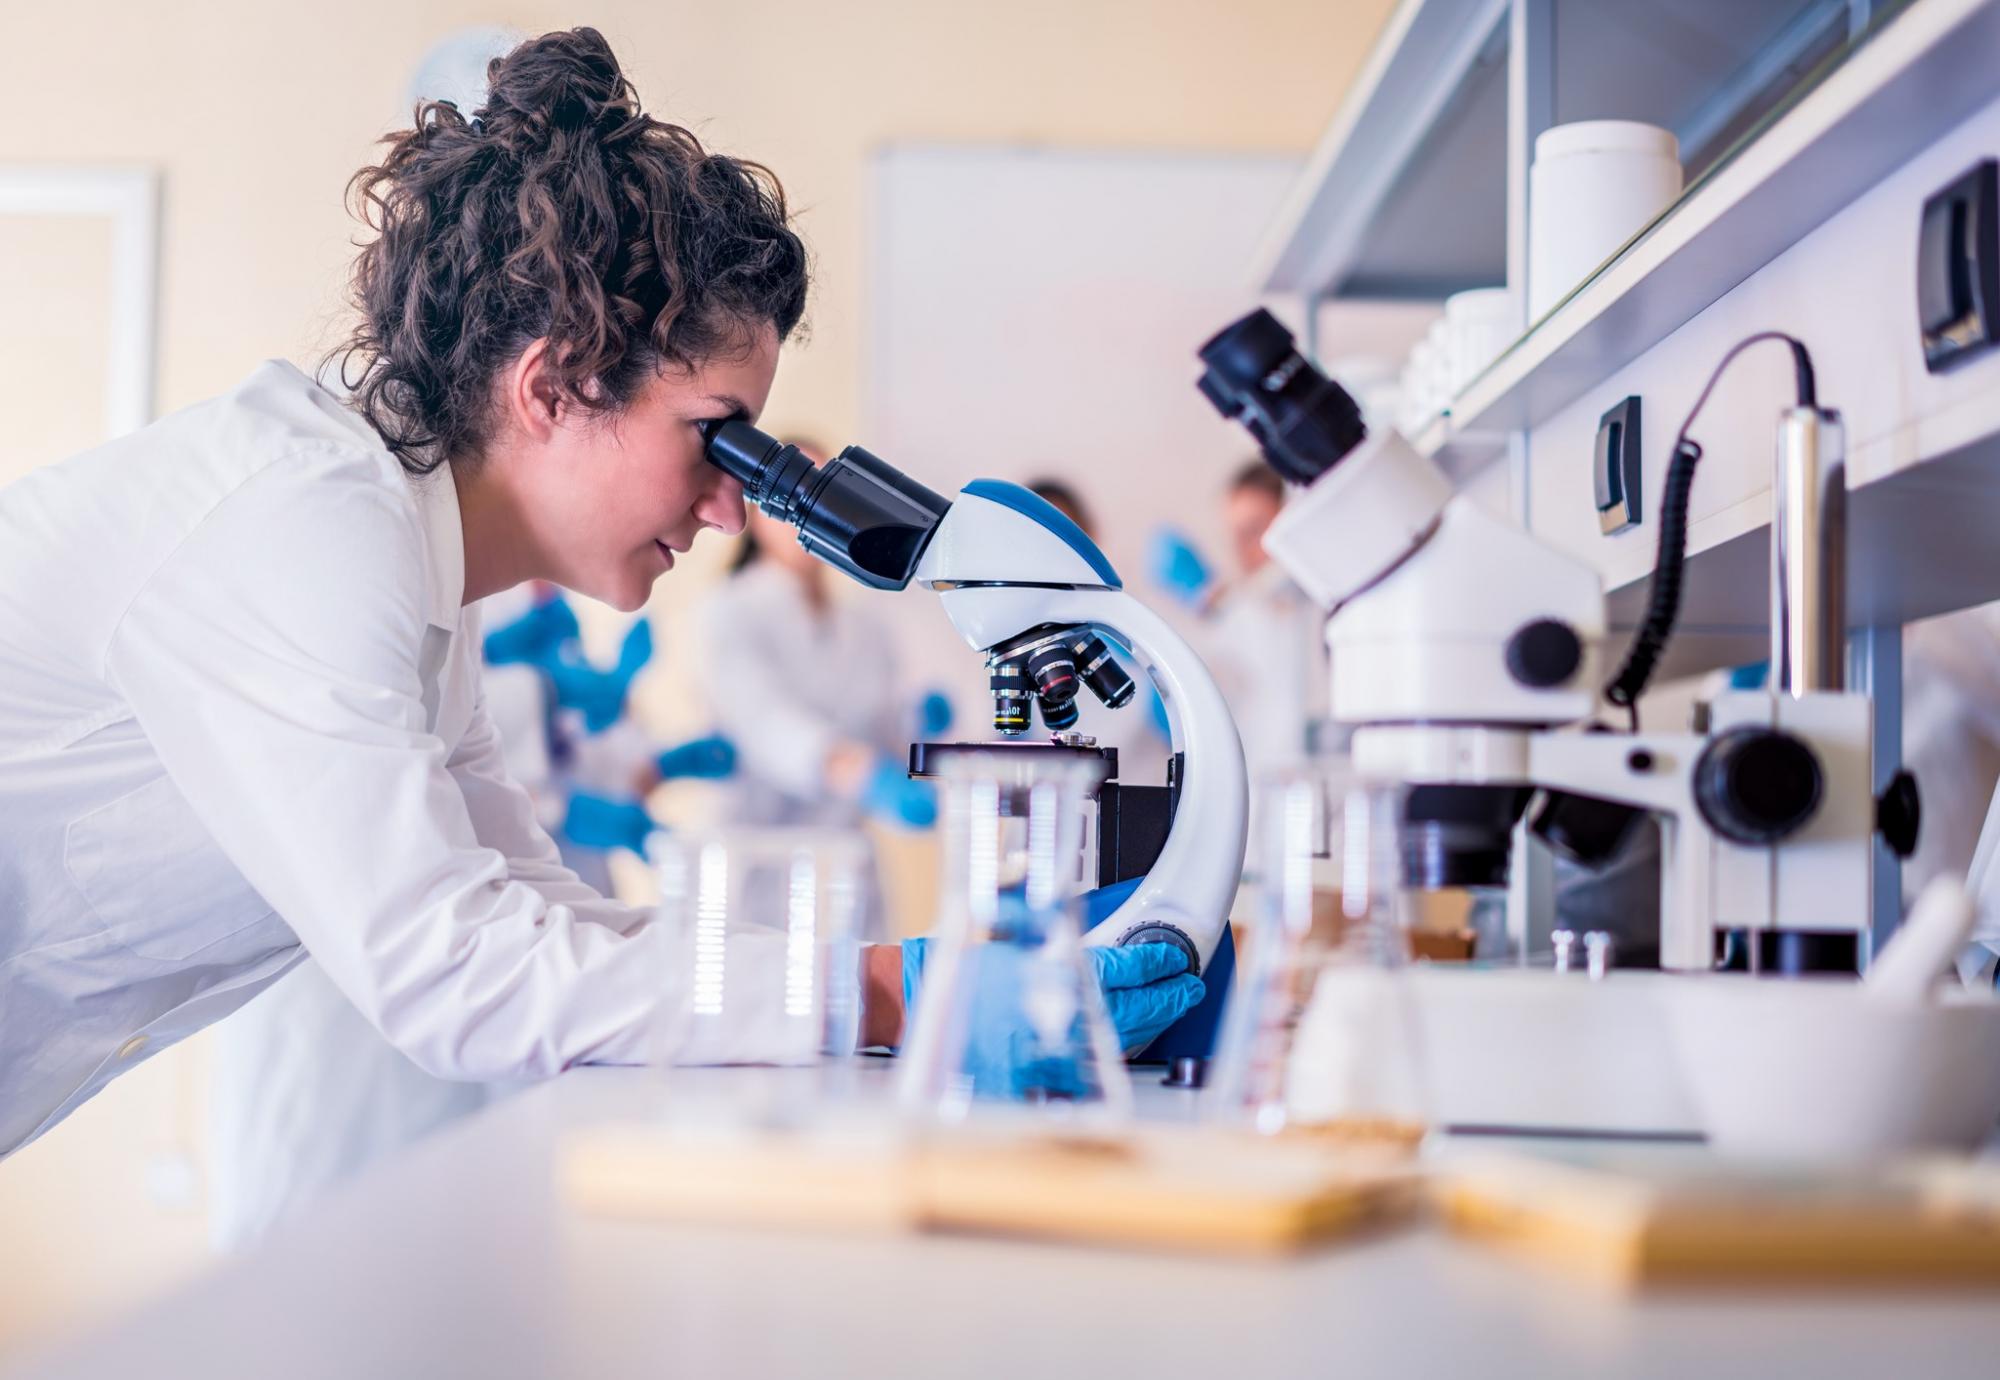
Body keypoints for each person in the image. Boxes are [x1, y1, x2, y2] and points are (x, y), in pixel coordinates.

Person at [0, 28, 1204, 1160]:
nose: (732, 507)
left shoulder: (417, 580)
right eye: (716, 440)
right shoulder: (298, 524)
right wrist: (904, 992)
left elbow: (541, 916)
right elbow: (457, 975)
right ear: (553, 385)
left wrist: (897, 973)